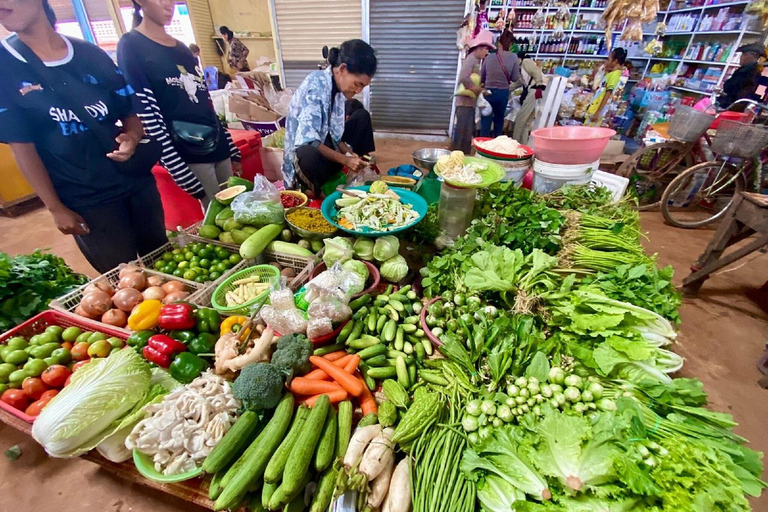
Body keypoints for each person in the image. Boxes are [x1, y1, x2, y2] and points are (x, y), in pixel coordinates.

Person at [0, 0, 167, 273]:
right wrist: (55, 207)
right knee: (122, 277)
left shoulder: (90, 54)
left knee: (161, 258)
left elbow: (129, 111)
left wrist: (132, 138)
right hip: (85, 197)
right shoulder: (5, 66)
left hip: (134, 181)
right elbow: (22, 147)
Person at [119, 0, 241, 210]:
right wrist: (178, 169)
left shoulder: (182, 48)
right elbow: (148, 114)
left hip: (218, 146)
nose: (168, 5)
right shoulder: (132, 45)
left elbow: (206, 104)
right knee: (218, 218)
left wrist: (230, 147)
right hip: (190, 149)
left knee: (237, 210)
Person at [282, 39, 377, 196]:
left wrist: (349, 154)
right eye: (357, 84)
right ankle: (312, 188)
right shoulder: (317, 85)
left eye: (363, 86)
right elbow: (308, 140)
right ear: (342, 69)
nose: (359, 91)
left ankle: (358, 166)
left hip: (327, 148)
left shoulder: (339, 90)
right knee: (308, 154)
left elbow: (333, 134)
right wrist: (345, 160)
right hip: (304, 158)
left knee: (361, 116)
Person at [452, 29, 494, 153]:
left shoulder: (476, 61)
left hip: (469, 103)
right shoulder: (471, 60)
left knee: (467, 132)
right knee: (462, 133)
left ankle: (463, 156)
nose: (487, 52)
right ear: (479, 48)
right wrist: (477, 89)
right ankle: (457, 157)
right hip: (464, 103)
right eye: (486, 49)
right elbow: (463, 78)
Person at [480, 29, 520, 138]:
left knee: (486, 120)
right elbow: (515, 78)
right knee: (498, 120)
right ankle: (496, 145)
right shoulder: (514, 57)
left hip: (488, 92)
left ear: (499, 43)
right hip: (503, 93)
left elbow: (482, 76)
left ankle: (482, 144)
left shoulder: (489, 57)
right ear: (511, 44)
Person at [511, 51, 545, 145]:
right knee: (526, 124)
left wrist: (539, 86)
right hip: (534, 93)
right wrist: (506, 89)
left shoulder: (526, 61)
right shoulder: (522, 68)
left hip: (534, 92)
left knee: (520, 120)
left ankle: (514, 144)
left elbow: (536, 72)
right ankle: (523, 145)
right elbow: (519, 82)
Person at [586, 47, 627, 125]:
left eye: (609, 59)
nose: (607, 61)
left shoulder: (614, 75)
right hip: (595, 106)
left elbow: (608, 94)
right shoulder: (612, 73)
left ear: (615, 61)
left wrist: (597, 113)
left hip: (597, 109)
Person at [718, 43, 764, 109]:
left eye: (744, 55)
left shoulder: (747, 72)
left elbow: (732, 88)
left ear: (753, 57)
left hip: (732, 107)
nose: (741, 58)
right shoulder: (745, 70)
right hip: (731, 104)